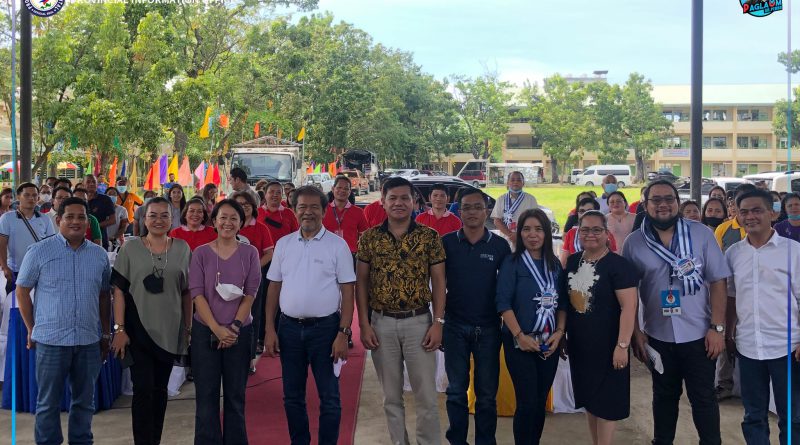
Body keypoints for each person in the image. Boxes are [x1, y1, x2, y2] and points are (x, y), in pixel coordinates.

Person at [623, 179, 730, 445]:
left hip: (699, 335)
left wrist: (717, 328)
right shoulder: (634, 243)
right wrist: (636, 333)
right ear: (645, 205)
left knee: (703, 399)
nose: (663, 205)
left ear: (678, 203)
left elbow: (718, 281)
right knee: (663, 397)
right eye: (656, 200)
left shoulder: (701, 234)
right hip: (657, 336)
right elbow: (628, 294)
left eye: (669, 199)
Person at [357, 176, 446, 445]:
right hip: (381, 324)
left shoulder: (429, 237)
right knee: (391, 398)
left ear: (415, 202)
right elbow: (361, 282)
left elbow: (440, 281)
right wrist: (364, 324)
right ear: (382, 202)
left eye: (405, 198)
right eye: (392, 198)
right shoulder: (370, 239)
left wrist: (438, 322)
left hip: (419, 323)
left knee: (427, 397)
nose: (399, 203)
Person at [15, 197, 111, 445]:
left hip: (88, 340)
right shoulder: (39, 251)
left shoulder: (99, 256)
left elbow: (103, 295)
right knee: (47, 403)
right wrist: (30, 327)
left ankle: (81, 441)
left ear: (88, 222)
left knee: (84, 402)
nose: (76, 221)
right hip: (51, 341)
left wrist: (105, 333)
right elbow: (22, 290)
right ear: (58, 220)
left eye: (81, 217)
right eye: (69, 216)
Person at [264, 186, 356, 445]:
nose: (308, 212)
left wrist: (343, 332)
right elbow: (273, 287)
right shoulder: (283, 245)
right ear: (294, 210)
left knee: (329, 397)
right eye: (302, 207)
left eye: (314, 207)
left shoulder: (338, 246)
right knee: (292, 396)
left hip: (326, 331)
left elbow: (348, 292)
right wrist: (270, 329)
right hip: (289, 330)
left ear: (324, 211)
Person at [110, 197, 192, 445]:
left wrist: (187, 328)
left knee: (160, 391)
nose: (158, 220)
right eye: (153, 215)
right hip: (137, 332)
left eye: (164, 215)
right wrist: (119, 328)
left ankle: (154, 440)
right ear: (144, 219)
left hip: (169, 331)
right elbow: (119, 291)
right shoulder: (130, 249)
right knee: (143, 389)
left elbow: (187, 292)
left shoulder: (182, 248)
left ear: (172, 218)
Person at [724, 189, 800, 445]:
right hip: (748, 347)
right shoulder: (733, 253)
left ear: (772, 213)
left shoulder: (793, 251)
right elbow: (732, 297)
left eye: (757, 210)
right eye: (744, 212)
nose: (750, 217)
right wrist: (728, 333)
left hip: (787, 347)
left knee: (793, 416)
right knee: (753, 415)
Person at [441, 188, 511, 445]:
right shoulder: (446, 243)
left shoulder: (500, 246)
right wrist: (438, 322)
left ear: (487, 211)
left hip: (489, 329)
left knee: (486, 395)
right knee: (456, 392)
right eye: (466, 207)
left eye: (477, 207)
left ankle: (485, 441)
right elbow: (437, 286)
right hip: (455, 327)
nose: (472, 212)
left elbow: (507, 289)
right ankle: (457, 440)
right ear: (459, 211)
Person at [189, 199, 261, 444]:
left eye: (234, 218)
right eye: (223, 217)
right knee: (206, 396)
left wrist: (234, 328)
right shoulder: (201, 253)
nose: (228, 223)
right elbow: (196, 294)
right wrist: (217, 329)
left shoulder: (249, 253)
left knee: (235, 396)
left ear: (241, 223)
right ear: (214, 221)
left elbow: (251, 293)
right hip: (205, 331)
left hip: (239, 333)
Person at [565, 210, 637, 445]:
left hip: (609, 347)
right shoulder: (574, 261)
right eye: (585, 229)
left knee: (607, 405)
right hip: (580, 346)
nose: (591, 234)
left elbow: (629, 308)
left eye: (597, 230)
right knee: (590, 401)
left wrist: (622, 345)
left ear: (606, 233)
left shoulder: (618, 265)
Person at [496, 208, 567, 445]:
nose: (532, 234)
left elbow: (562, 303)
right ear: (519, 233)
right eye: (526, 229)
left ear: (546, 233)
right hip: (520, 343)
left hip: (549, 344)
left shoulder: (554, 264)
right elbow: (503, 303)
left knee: (539, 401)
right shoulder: (512, 262)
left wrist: (559, 333)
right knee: (526, 402)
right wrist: (519, 335)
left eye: (538, 229)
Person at [232, 190, 275, 368]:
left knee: (252, 316)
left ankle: (249, 357)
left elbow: (269, 253)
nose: (243, 208)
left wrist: (253, 268)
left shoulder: (261, 227)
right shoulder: (228, 225)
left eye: (246, 205)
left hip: (253, 280)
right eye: (239, 205)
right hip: (228, 281)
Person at [0, 183, 55, 287]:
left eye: (34, 195)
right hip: (15, 271)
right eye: (27, 195)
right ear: (18, 197)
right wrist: (5, 267)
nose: (31, 198)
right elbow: (1, 244)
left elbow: (50, 245)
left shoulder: (45, 219)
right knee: (15, 302)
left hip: (40, 271)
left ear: (38, 197)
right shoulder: (7, 218)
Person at [560, 198, 618, 267]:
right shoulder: (572, 233)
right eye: (581, 211)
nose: (585, 214)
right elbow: (564, 262)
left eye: (589, 211)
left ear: (597, 212)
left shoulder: (606, 234)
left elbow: (614, 261)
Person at [322, 176, 369, 254]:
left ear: (350, 192)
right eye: (339, 187)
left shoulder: (358, 212)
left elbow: (365, 235)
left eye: (346, 189)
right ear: (333, 189)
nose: (342, 191)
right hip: (326, 254)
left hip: (350, 254)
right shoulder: (323, 210)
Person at [491, 171, 538, 242]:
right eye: (512, 180)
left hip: (524, 239)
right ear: (508, 182)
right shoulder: (501, 199)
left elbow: (534, 221)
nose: (515, 182)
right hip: (505, 239)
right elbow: (497, 221)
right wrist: (511, 235)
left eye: (519, 180)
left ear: (523, 183)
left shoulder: (531, 199)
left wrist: (519, 235)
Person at [84, 174, 117, 249]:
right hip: (81, 240)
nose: (91, 184)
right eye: (88, 182)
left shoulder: (105, 199)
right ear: (83, 184)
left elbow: (112, 220)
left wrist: (94, 226)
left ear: (97, 184)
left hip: (101, 239)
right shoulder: (78, 199)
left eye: (94, 182)